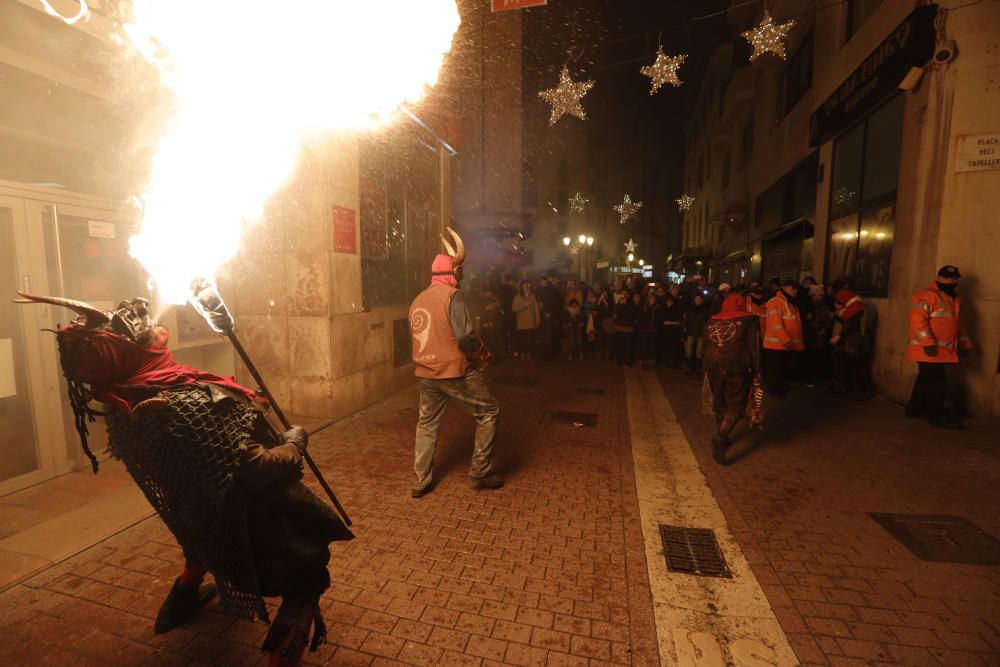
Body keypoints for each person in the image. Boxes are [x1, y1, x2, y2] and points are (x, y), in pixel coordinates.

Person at [16, 292, 353, 666]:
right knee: (309, 569)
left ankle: (183, 596)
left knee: (199, 543)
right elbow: (256, 469)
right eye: (140, 327)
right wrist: (295, 443)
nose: (148, 315)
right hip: (251, 526)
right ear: (132, 352)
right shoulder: (189, 403)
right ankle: (282, 651)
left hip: (197, 518)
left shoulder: (124, 398)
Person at [409, 229, 502, 497]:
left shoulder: (417, 300)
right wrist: (483, 355)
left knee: (426, 425)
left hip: (426, 374)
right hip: (453, 371)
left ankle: (419, 481)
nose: (462, 276)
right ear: (452, 273)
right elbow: (464, 337)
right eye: (460, 271)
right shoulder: (453, 297)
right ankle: (480, 472)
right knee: (489, 412)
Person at [905, 265, 973, 429]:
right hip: (928, 350)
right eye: (947, 278)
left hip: (942, 351)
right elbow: (917, 322)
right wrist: (928, 343)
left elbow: (958, 325)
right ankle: (937, 415)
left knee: (926, 380)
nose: (951, 281)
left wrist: (964, 344)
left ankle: (914, 409)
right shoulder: (927, 297)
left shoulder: (953, 299)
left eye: (954, 278)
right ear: (939, 278)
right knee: (936, 383)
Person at [702, 292, 761, 465]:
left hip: (712, 364)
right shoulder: (749, 319)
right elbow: (754, 346)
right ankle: (722, 435)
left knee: (719, 400)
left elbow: (706, 340)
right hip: (736, 365)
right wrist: (757, 369)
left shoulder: (712, 319)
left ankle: (722, 434)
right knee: (736, 402)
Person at [762, 279, 804, 397]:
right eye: (793, 288)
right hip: (776, 345)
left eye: (796, 288)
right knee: (774, 370)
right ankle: (775, 390)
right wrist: (787, 340)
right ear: (784, 288)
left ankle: (779, 386)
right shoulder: (775, 302)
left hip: (785, 345)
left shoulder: (789, 302)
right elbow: (776, 325)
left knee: (780, 369)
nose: (796, 291)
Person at [831, 286, 873, 398]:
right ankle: (856, 388)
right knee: (854, 363)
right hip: (854, 339)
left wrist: (838, 336)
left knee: (856, 364)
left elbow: (849, 325)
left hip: (853, 340)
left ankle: (861, 390)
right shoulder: (857, 307)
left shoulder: (855, 309)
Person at [802, 284, 834, 386]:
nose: (817, 297)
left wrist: (825, 327)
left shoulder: (826, 306)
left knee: (819, 357)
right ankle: (808, 378)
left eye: (819, 295)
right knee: (809, 357)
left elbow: (829, 320)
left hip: (820, 336)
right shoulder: (806, 306)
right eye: (814, 295)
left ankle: (818, 377)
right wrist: (807, 318)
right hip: (809, 335)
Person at [512, 279, 540, 361]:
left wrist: (538, 320)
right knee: (522, 339)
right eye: (524, 286)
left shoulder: (532, 296)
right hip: (521, 322)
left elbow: (536, 309)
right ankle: (523, 354)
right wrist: (524, 306)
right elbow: (514, 309)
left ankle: (529, 355)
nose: (526, 288)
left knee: (530, 339)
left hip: (531, 321)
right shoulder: (517, 297)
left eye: (527, 286)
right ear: (521, 287)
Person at [683, 293, 710, 374]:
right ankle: (689, 368)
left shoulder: (706, 310)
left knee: (699, 352)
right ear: (694, 300)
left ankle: (698, 368)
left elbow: (707, 322)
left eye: (700, 298)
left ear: (702, 300)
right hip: (691, 332)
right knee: (689, 351)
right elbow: (686, 321)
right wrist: (684, 330)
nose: (698, 300)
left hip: (701, 333)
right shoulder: (690, 309)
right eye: (696, 298)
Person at [636, 293, 663, 369]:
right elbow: (640, 319)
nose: (652, 300)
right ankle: (644, 360)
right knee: (644, 346)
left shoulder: (657, 308)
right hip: (644, 330)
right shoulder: (644, 308)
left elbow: (659, 319)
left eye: (653, 299)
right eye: (650, 299)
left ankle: (651, 360)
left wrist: (656, 327)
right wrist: (640, 329)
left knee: (652, 346)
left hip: (653, 330)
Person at [660, 293, 685, 368]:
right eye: (668, 301)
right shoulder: (664, 309)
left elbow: (679, 322)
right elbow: (663, 322)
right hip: (668, 331)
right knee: (668, 346)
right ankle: (668, 361)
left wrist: (669, 322)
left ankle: (672, 362)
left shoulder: (676, 309)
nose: (669, 303)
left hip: (674, 331)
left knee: (673, 347)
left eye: (670, 301)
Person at [612, 290, 637, 366]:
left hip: (628, 328)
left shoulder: (631, 303)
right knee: (620, 345)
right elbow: (616, 312)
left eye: (626, 294)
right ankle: (620, 360)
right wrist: (621, 304)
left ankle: (628, 360)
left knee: (628, 345)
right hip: (620, 328)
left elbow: (633, 311)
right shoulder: (618, 304)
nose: (624, 296)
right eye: (623, 294)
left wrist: (625, 304)